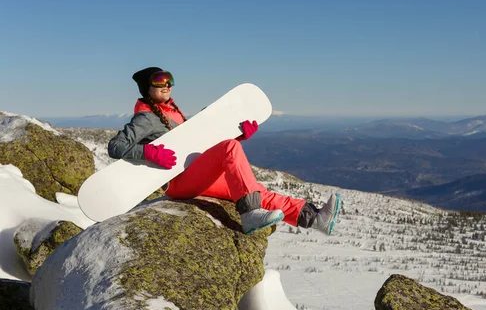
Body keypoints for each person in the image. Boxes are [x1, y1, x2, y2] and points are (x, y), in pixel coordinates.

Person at [107, 67, 341, 235]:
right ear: (147, 88)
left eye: (169, 80)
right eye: (159, 81)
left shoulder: (173, 112)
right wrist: (149, 152)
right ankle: (249, 215)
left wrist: (239, 133)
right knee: (230, 148)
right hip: (178, 183)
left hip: (195, 173)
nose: (166, 85)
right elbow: (115, 146)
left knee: (252, 188)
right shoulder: (145, 118)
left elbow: (197, 142)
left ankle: (314, 219)